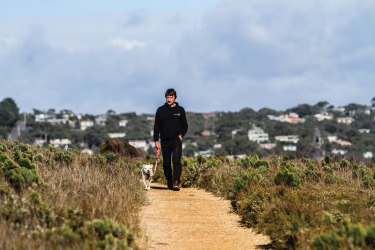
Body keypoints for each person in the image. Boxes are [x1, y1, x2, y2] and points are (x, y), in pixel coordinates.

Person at [153, 88, 188, 191]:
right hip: (164, 140)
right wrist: (156, 140)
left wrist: (181, 135)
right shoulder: (160, 110)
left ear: (175, 98)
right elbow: (156, 127)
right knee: (166, 163)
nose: (169, 99)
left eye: (171, 97)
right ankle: (169, 181)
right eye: (167, 97)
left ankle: (176, 182)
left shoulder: (180, 110)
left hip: (176, 139)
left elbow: (185, 125)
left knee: (176, 160)